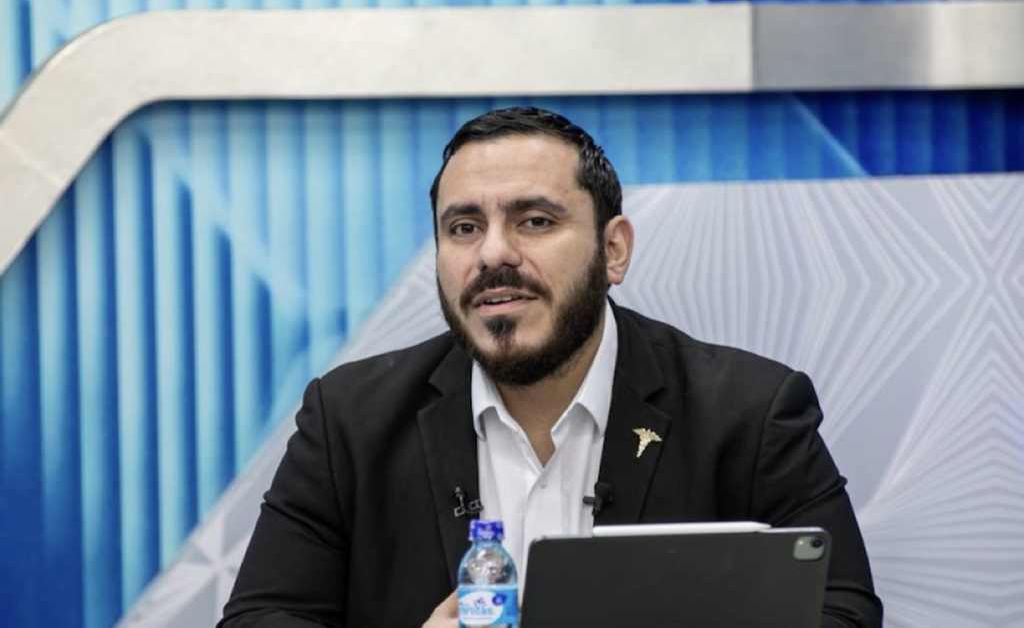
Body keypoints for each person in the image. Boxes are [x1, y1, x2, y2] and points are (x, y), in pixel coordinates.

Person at [219, 107, 882, 628]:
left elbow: (842, 610)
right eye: (464, 228)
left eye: (534, 221)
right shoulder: (350, 419)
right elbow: (261, 617)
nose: (493, 254)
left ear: (613, 249)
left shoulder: (750, 412)